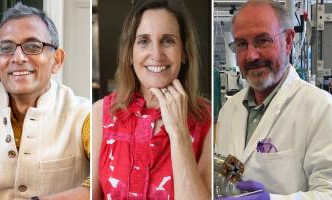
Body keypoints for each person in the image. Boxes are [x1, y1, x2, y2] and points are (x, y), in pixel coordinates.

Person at [92, 0, 211, 199]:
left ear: (184, 53)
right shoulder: (100, 114)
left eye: (167, 40)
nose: (156, 54)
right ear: (130, 54)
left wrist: (179, 134)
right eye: (143, 41)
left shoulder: (208, 120)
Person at [215, 0, 332, 199]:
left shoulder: (322, 109)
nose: (251, 55)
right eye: (242, 44)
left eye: (262, 40)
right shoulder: (229, 110)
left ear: (287, 42)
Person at [0, 3, 90, 199]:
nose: (18, 57)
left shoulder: (84, 116)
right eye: (6, 48)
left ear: (57, 60)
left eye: (33, 46)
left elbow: (106, 176)